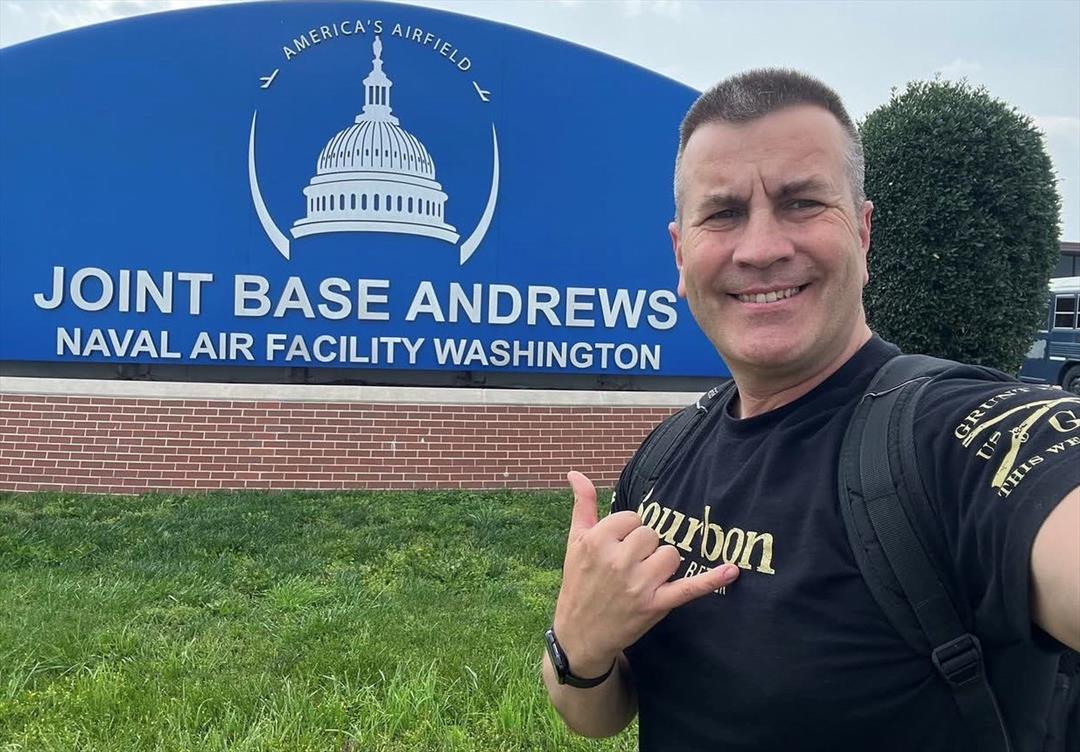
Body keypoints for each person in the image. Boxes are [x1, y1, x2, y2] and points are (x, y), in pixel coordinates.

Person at [542, 68, 1080, 751]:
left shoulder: (957, 433)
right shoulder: (666, 456)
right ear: (681, 253)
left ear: (863, 232)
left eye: (801, 203)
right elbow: (601, 714)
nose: (761, 248)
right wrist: (578, 646)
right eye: (723, 213)